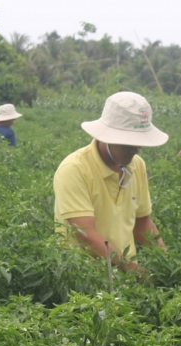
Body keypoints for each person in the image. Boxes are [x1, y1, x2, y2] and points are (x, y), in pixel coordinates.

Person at [53, 91, 168, 273]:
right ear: (105, 137)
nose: (136, 149)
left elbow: (142, 223)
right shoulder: (74, 169)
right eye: (128, 143)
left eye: (139, 143)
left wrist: (166, 263)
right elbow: (85, 235)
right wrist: (133, 270)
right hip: (82, 277)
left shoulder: (137, 165)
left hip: (123, 272)